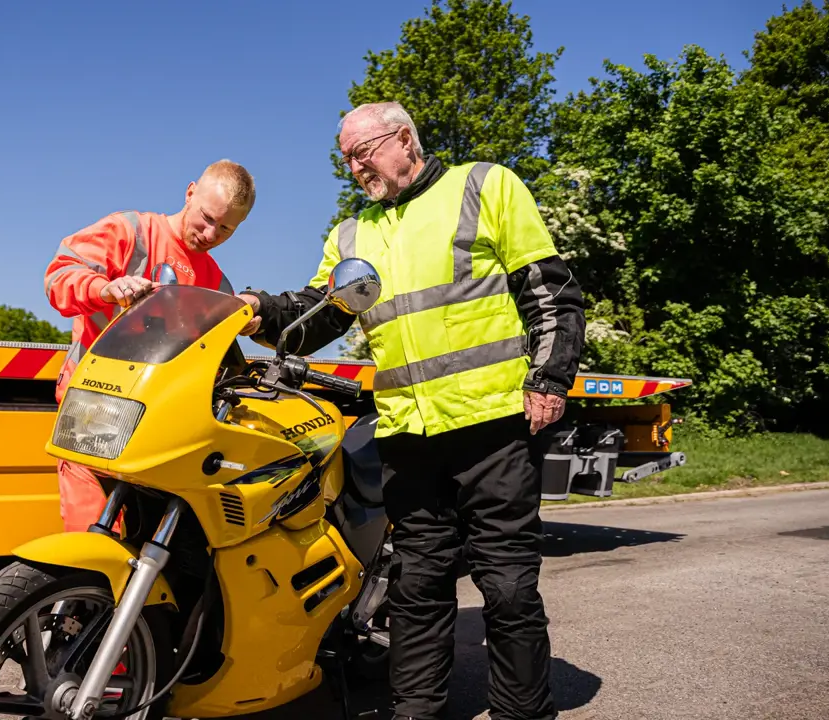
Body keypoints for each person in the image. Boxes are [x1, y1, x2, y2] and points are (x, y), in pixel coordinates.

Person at [237, 102, 584, 720]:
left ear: (403, 139)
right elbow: (315, 318)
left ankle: (522, 712)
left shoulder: (484, 186)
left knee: (505, 588)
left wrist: (549, 381)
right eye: (346, 158)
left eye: (361, 152)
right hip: (407, 436)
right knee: (417, 588)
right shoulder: (351, 235)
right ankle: (415, 713)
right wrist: (255, 309)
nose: (354, 166)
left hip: (492, 427)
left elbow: (551, 294)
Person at [44, 159, 255, 532]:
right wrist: (103, 288)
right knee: (90, 534)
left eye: (225, 228)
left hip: (159, 425)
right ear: (190, 193)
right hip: (94, 406)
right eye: (206, 218)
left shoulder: (217, 284)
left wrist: (245, 323)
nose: (210, 233)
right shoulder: (129, 231)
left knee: (159, 545)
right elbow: (60, 277)